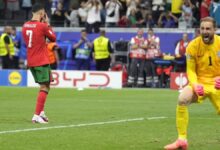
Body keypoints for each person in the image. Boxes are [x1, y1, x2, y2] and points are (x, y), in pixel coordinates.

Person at [164, 17, 220, 150]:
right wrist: (195, 85)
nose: (205, 32)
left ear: (214, 30)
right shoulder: (193, 46)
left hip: (217, 83)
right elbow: (190, 69)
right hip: (200, 83)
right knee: (182, 99)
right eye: (202, 29)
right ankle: (181, 140)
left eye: (208, 29)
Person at [22, 3, 56, 124]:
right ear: (42, 13)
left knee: (46, 86)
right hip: (41, 61)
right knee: (44, 87)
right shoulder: (42, 26)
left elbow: (31, 42)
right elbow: (53, 38)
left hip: (31, 61)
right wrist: (48, 24)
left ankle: (41, 112)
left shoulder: (25, 25)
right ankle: (36, 116)